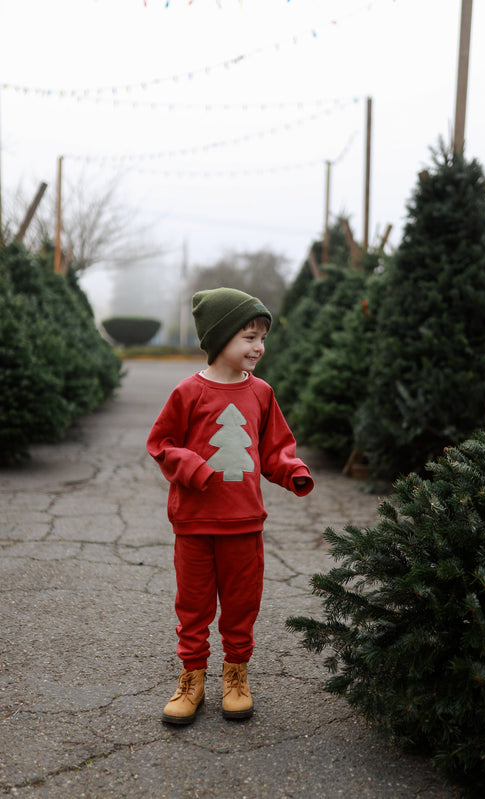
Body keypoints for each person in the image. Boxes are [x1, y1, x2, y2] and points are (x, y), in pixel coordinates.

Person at [146, 287, 314, 726]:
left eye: (261, 337)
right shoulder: (188, 392)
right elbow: (161, 444)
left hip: (244, 525)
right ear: (220, 340)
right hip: (194, 523)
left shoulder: (261, 393)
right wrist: (192, 466)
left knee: (242, 604)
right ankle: (192, 676)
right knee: (194, 605)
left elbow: (275, 446)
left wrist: (290, 469)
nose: (258, 347)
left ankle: (236, 673)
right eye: (248, 337)